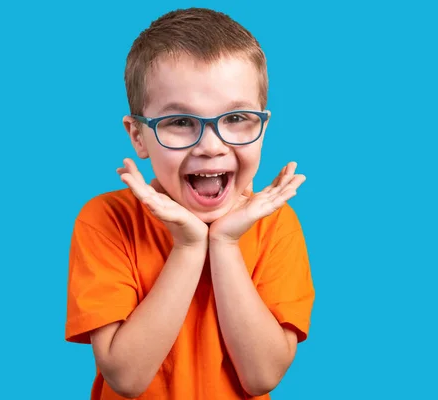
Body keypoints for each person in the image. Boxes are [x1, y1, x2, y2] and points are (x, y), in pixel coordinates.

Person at [65, 7, 315, 400]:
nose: (211, 146)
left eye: (236, 117)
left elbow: (262, 376)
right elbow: (126, 378)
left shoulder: (275, 224)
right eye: (180, 122)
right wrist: (189, 246)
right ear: (138, 137)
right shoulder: (107, 220)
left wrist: (225, 244)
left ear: (263, 127)